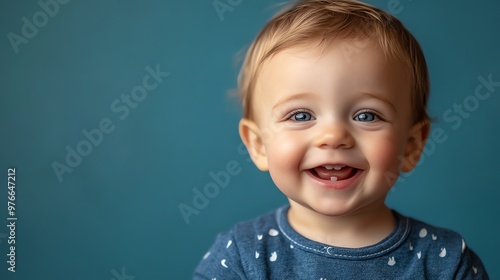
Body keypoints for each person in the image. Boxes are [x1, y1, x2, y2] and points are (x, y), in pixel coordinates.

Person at [194, 0, 489, 278]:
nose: (333, 137)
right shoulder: (240, 258)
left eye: (366, 116)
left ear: (411, 145)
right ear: (258, 144)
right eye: (300, 116)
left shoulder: (445, 262)